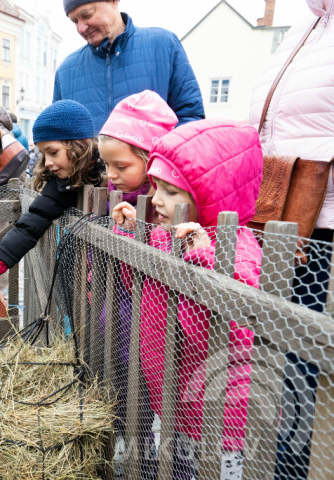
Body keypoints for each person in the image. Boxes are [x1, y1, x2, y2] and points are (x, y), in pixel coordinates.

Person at [112, 119, 263, 479]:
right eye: (155, 186)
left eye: (172, 191)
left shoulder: (236, 252)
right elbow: (138, 286)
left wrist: (201, 261)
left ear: (212, 195)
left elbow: (222, 336)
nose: (158, 200)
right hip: (178, 399)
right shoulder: (167, 237)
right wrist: (130, 239)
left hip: (220, 419)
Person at [249, 2, 333, 477]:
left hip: (322, 228)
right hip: (282, 218)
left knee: (302, 369)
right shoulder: (307, 23)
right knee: (279, 363)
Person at [0, 100, 105, 305]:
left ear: (80, 145)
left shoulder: (111, 176)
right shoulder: (63, 183)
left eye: (53, 152)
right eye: (44, 154)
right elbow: (27, 228)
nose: (47, 162)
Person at [96, 90, 178, 461]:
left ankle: (162, 452)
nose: (111, 175)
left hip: (156, 318)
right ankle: (139, 443)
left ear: (151, 157)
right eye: (107, 166)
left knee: (164, 394)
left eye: (121, 166)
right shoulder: (122, 195)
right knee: (129, 384)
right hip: (125, 310)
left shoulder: (168, 204)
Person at [54, 0, 204, 133]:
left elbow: (191, 119)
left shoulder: (164, 45)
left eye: (87, 15)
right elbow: (57, 135)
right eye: (74, 21)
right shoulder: (65, 72)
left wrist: (158, 159)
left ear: (114, 1)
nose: (81, 28)